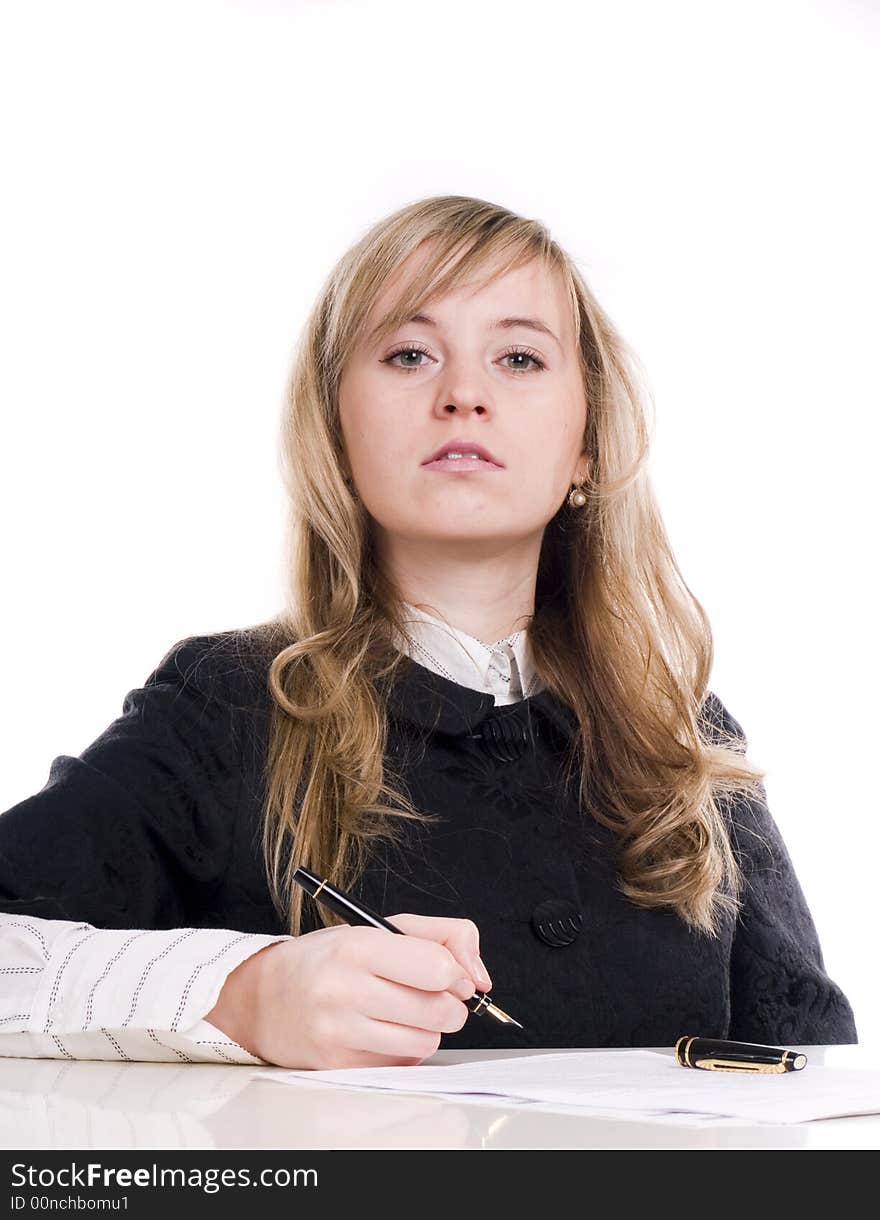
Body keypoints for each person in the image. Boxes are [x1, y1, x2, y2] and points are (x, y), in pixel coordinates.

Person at [0, 194, 857, 1071]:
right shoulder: (226, 705)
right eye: (409, 354)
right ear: (335, 428)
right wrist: (239, 992)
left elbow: (811, 1077)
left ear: (590, 442)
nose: (463, 396)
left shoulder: (683, 737)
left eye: (519, 357)